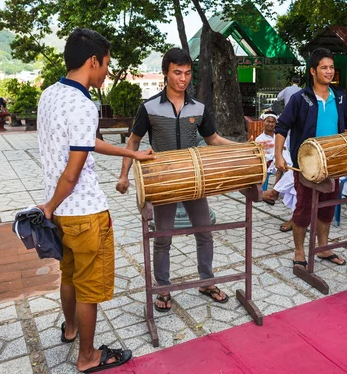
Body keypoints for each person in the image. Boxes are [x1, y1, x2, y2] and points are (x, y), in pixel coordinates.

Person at [36, 28, 156, 373]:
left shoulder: (50, 95)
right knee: (89, 286)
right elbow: (72, 174)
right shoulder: (84, 104)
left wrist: (131, 153)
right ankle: (88, 356)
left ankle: (70, 329)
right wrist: (49, 204)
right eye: (106, 64)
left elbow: (83, 143)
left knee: (69, 274)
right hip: (85, 211)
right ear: (93, 61)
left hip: (62, 214)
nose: (107, 70)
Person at [116, 48, 266, 312]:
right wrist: (124, 175)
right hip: (164, 181)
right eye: (177, 72)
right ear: (166, 73)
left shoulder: (199, 107)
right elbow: (134, 141)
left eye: (187, 73)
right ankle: (163, 289)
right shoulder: (149, 107)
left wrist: (244, 149)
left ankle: (207, 281)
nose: (182, 79)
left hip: (196, 179)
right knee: (162, 237)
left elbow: (214, 139)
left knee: (205, 232)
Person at [274, 47, 347, 268]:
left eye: (331, 67)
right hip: (307, 164)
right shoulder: (300, 99)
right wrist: (279, 155)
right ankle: (299, 252)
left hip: (333, 163)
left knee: (328, 207)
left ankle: (324, 248)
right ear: (313, 71)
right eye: (324, 67)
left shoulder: (339, 97)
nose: (329, 72)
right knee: (303, 210)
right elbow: (282, 127)